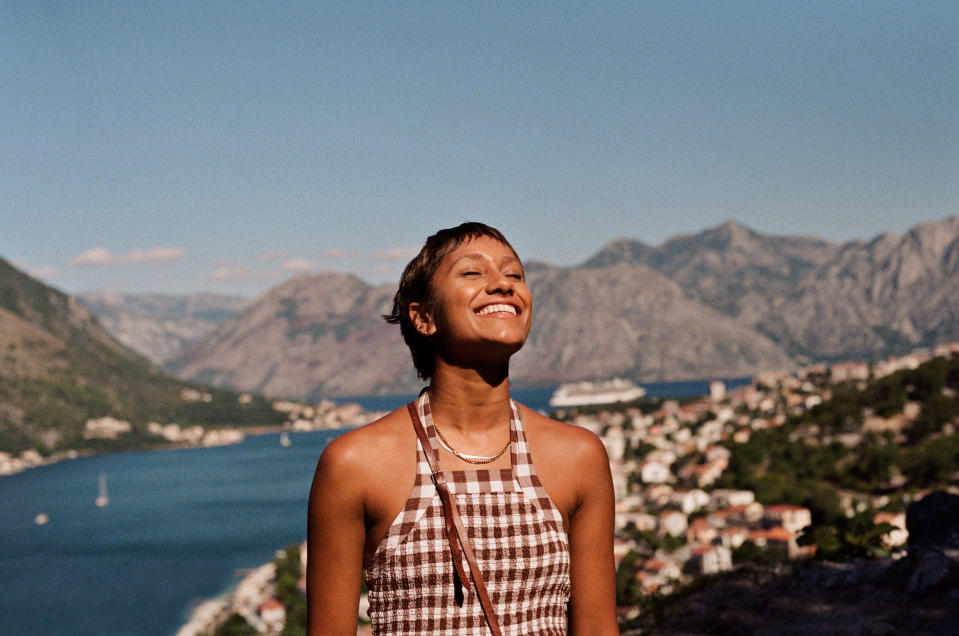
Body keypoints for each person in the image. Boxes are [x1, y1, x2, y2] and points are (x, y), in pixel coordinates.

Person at [307, 222, 617, 635]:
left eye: (514, 274)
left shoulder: (578, 457)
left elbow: (598, 629)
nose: (503, 285)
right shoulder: (355, 463)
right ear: (423, 317)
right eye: (473, 273)